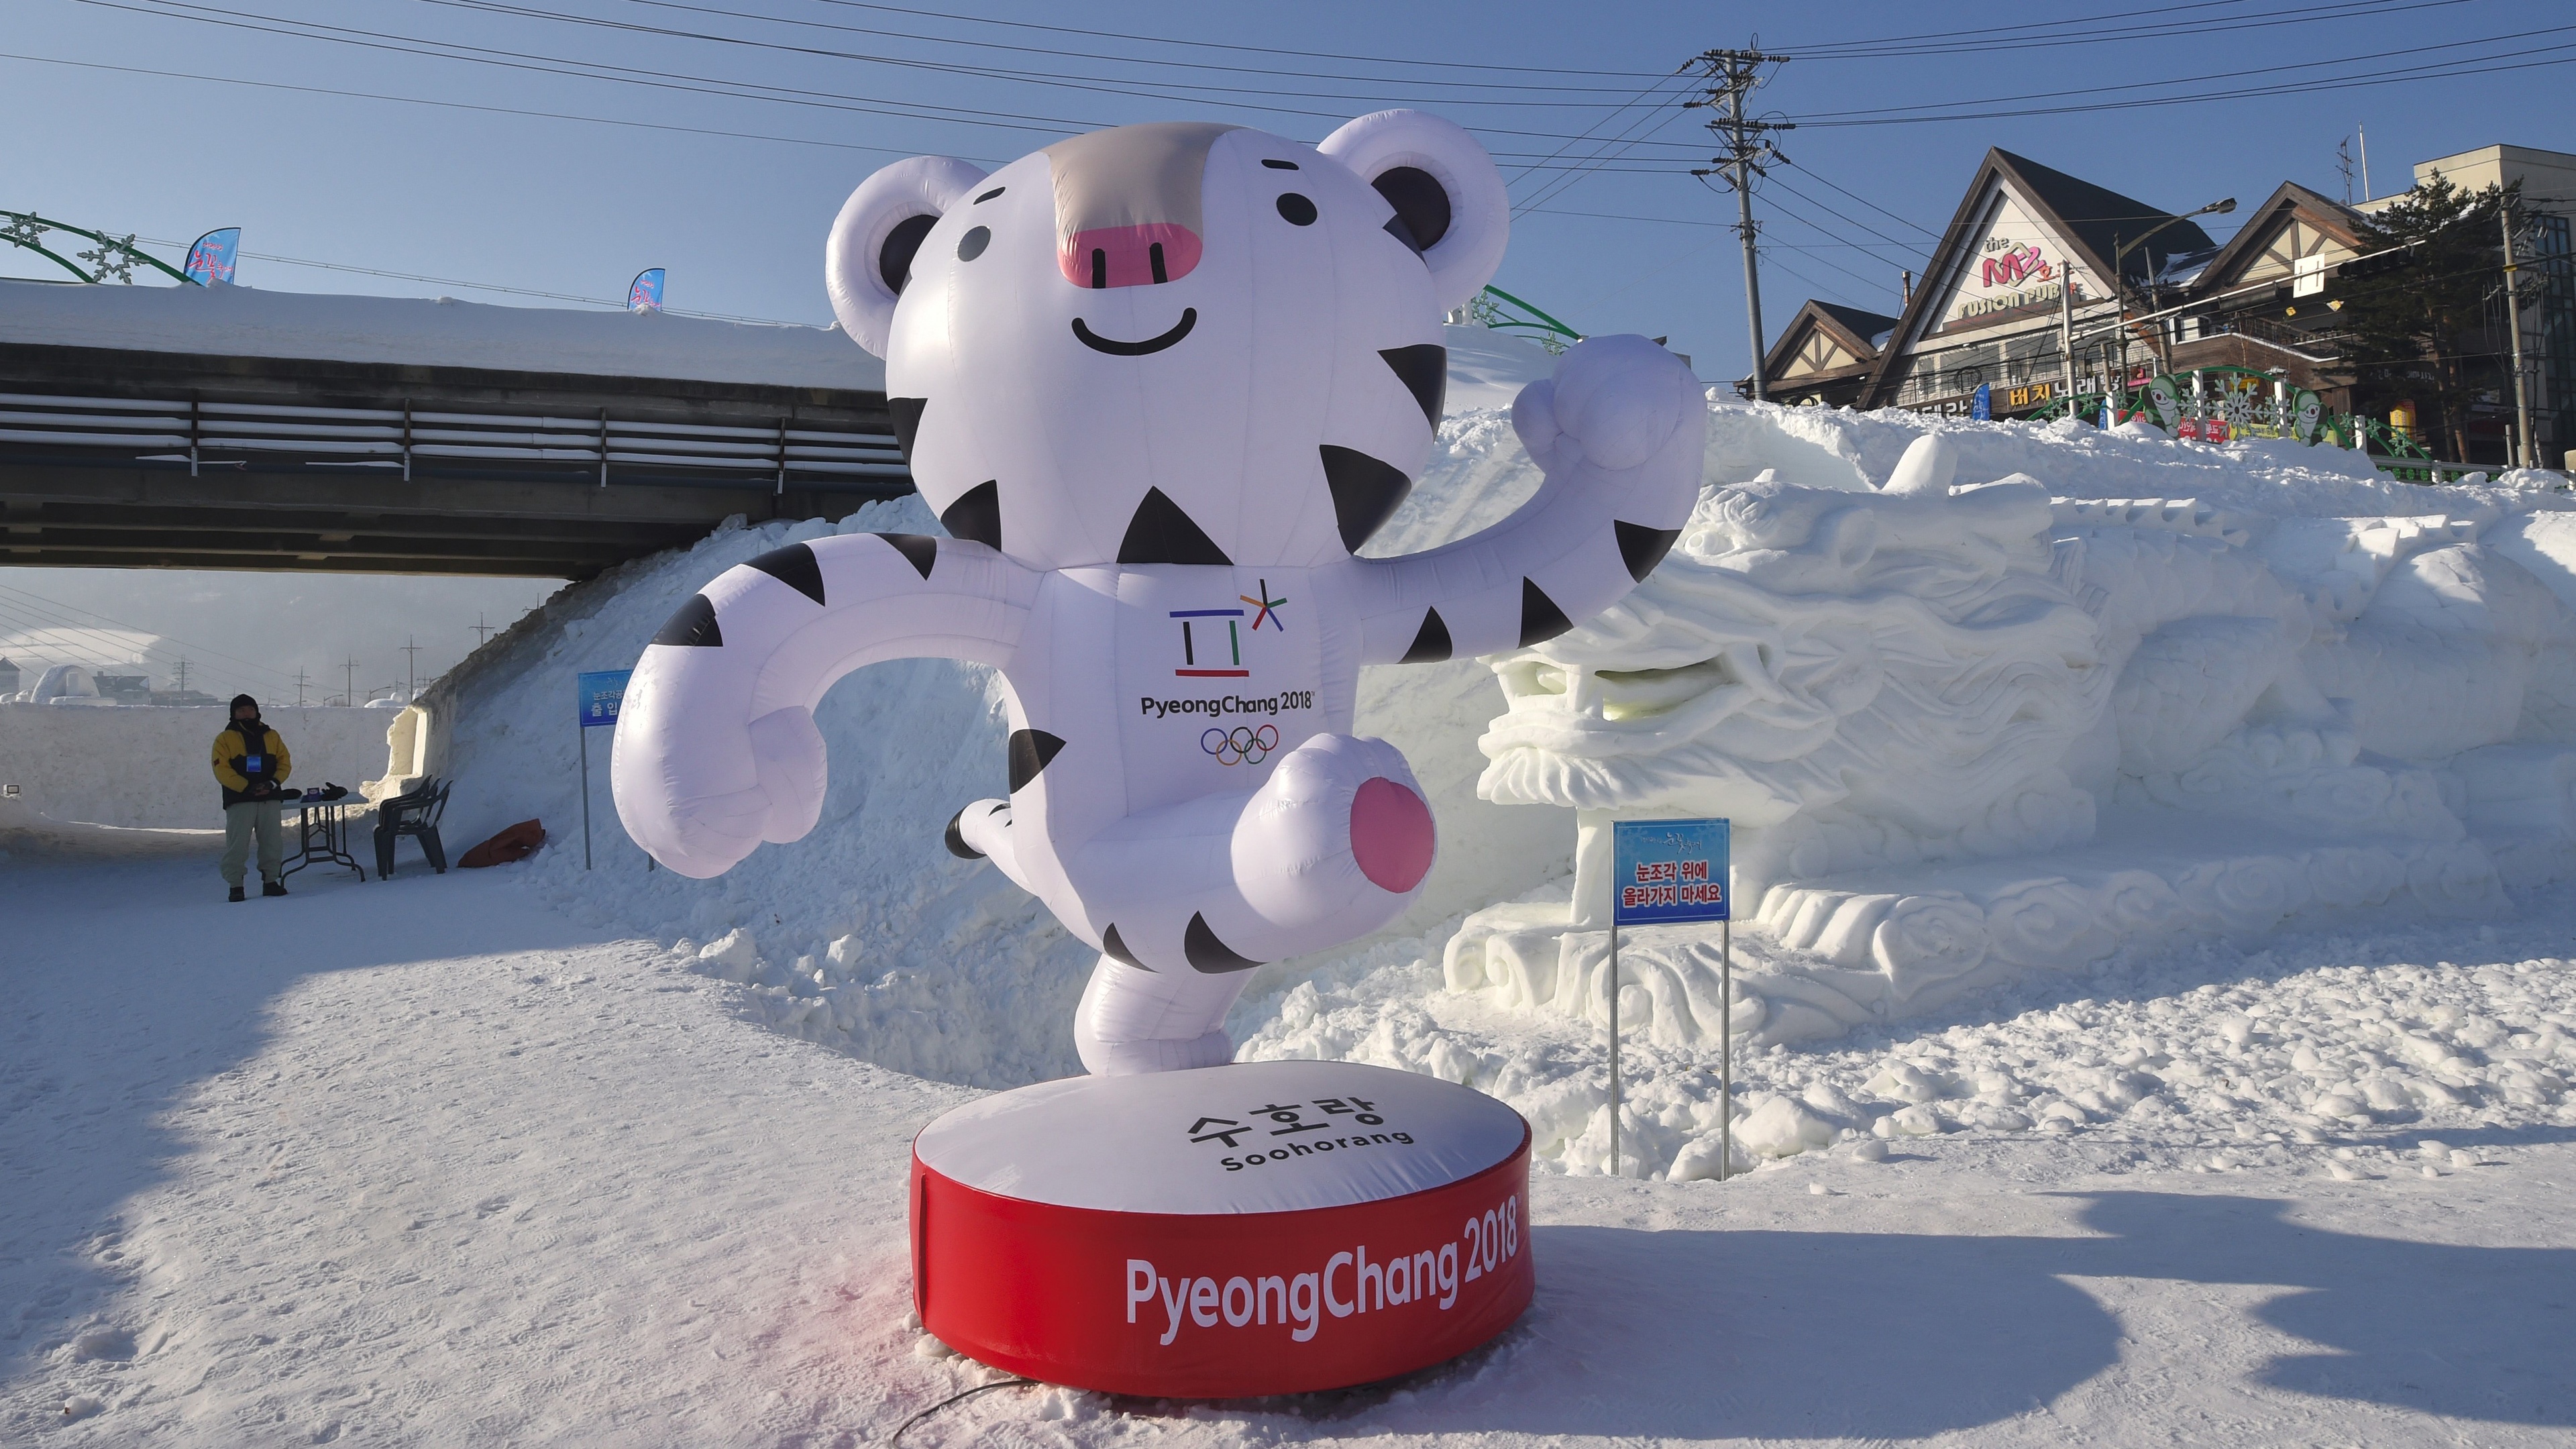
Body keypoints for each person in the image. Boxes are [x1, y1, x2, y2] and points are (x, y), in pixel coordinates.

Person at [213, 694, 293, 901]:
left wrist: (272, 784)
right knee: (237, 844)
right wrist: (247, 787)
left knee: (272, 842)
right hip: (240, 800)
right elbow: (222, 770)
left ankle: (271, 881)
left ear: (257, 711)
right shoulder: (225, 739)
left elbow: (284, 762)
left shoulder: (272, 736)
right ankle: (236, 886)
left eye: (250, 709)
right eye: (241, 711)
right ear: (233, 715)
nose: (246, 714)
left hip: (270, 798)